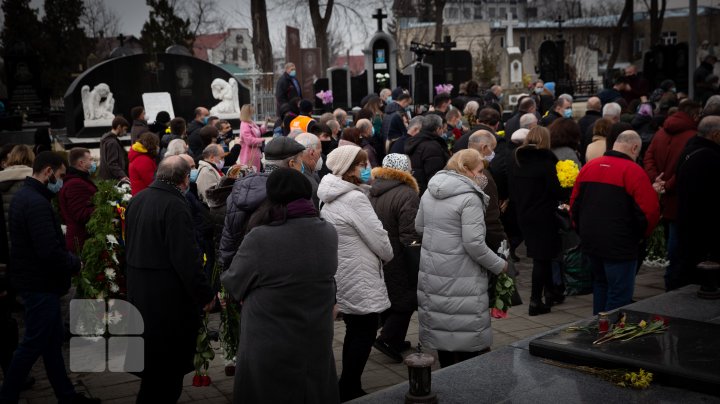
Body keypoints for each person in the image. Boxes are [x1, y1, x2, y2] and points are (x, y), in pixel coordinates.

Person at [221, 168, 339, 403]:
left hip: (270, 337)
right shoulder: (327, 231)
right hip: (315, 333)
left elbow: (233, 282)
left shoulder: (261, 237)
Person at [0, 152, 99, 404]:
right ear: (48, 172)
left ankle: (66, 395)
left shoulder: (29, 195)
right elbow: (48, 250)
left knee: (51, 343)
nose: (62, 181)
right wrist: (75, 263)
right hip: (39, 284)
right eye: (61, 175)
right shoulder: (35, 202)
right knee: (33, 344)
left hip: (38, 281)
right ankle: (8, 396)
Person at [125, 156, 214, 403]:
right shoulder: (175, 205)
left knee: (153, 369)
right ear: (185, 178)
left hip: (141, 293)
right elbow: (187, 258)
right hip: (167, 300)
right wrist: (205, 295)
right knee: (166, 375)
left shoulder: (139, 198)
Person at [415, 149, 508, 368]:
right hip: (463, 274)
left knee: (443, 337)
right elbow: (474, 244)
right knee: (467, 342)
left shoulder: (430, 190)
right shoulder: (470, 197)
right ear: (466, 169)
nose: (481, 176)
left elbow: (419, 226)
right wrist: (500, 265)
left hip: (433, 270)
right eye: (478, 171)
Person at [317, 145, 393, 401]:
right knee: (365, 328)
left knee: (356, 327)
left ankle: (348, 383)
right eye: (361, 165)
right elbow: (378, 237)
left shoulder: (330, 193)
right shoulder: (354, 198)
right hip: (359, 272)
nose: (367, 168)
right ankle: (349, 386)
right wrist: (388, 254)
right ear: (347, 170)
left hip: (344, 269)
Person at [570, 131, 660, 314]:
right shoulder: (634, 171)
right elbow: (649, 212)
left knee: (601, 286)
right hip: (621, 244)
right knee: (619, 293)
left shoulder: (589, 167)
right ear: (634, 148)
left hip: (591, 241)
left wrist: (582, 231)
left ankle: (598, 329)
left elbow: (574, 205)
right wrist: (641, 236)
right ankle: (610, 335)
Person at [218, 137, 306, 270]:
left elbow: (228, 238)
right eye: (301, 162)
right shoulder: (290, 195)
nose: (302, 166)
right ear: (292, 164)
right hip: (273, 272)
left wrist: (228, 273)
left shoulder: (239, 189)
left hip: (241, 271)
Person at [643, 101, 702, 291]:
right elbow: (685, 168)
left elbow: (648, 157)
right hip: (679, 199)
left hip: (664, 199)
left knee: (672, 242)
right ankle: (675, 283)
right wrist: (666, 185)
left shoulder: (660, 133)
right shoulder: (693, 137)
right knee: (679, 247)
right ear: (694, 115)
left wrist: (656, 181)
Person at [368, 154, 420, 363]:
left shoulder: (373, 190)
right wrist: (416, 257)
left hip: (378, 252)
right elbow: (410, 233)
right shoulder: (407, 194)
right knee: (407, 298)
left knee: (391, 295)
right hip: (399, 253)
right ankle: (388, 338)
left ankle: (396, 339)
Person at [509, 127, 565, 315]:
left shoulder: (517, 159)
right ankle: (535, 301)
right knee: (542, 258)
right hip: (543, 215)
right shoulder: (546, 161)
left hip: (524, 213)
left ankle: (550, 293)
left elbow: (513, 188)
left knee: (544, 256)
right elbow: (555, 190)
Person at [676, 116, 720, 288]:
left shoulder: (688, 151)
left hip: (685, 225)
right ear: (716, 135)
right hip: (705, 231)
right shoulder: (711, 158)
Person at [467, 131, 507, 251]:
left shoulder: (456, 165)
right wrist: (503, 245)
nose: (493, 153)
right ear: (484, 148)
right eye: (492, 149)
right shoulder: (483, 176)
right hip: (480, 237)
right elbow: (491, 218)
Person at [58, 148, 97, 254]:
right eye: (91, 159)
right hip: (81, 241)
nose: (93, 162)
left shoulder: (78, 180)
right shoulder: (75, 184)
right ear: (81, 163)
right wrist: (104, 206)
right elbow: (81, 214)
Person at [405, 114, 450, 194]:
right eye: (442, 128)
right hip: (428, 192)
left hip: (415, 189)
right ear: (438, 129)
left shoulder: (414, 141)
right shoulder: (432, 147)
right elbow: (435, 176)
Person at [294, 132, 323, 207]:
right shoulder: (310, 185)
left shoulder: (292, 172)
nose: (320, 156)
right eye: (320, 152)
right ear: (312, 153)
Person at [99, 117, 130, 182]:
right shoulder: (112, 142)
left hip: (107, 178)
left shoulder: (106, 140)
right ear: (119, 127)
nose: (125, 133)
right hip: (112, 179)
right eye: (124, 129)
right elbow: (112, 163)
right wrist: (123, 175)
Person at [237, 104, 266, 172]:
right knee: (252, 172)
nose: (253, 113)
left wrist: (265, 124)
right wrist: (261, 140)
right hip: (249, 155)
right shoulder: (244, 125)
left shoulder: (250, 122)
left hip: (255, 153)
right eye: (252, 112)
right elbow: (249, 141)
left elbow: (259, 131)